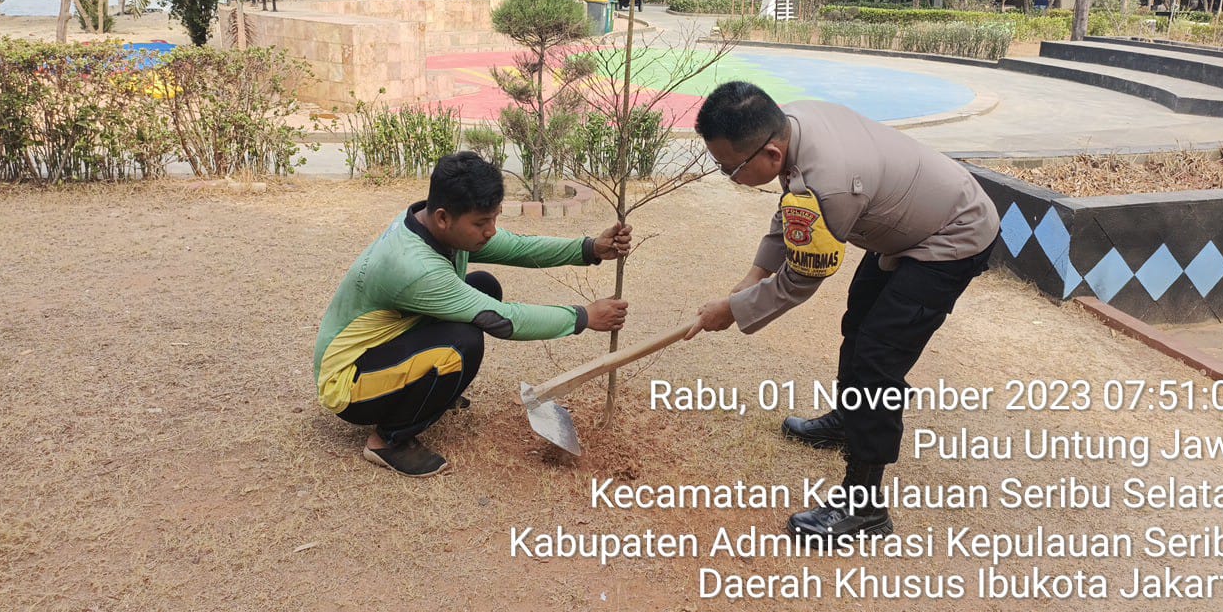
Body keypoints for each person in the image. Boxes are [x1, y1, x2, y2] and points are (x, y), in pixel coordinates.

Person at [685, 82, 998, 541]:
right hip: (909, 223)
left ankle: (865, 506)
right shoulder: (789, 123)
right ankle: (850, 421)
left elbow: (799, 281)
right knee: (858, 323)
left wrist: (732, 310)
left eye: (729, 168)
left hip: (952, 236)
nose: (726, 175)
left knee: (877, 360)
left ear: (771, 153)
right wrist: (753, 275)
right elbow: (791, 205)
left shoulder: (829, 185)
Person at [315, 152, 630, 477]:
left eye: (494, 218)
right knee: (462, 343)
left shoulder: (436, 224)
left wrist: (589, 249)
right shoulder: (415, 267)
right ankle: (388, 441)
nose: (492, 230)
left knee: (483, 285)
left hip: (383, 345)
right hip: (348, 382)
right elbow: (505, 320)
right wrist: (584, 317)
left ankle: (429, 390)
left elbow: (519, 248)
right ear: (442, 217)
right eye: (482, 223)